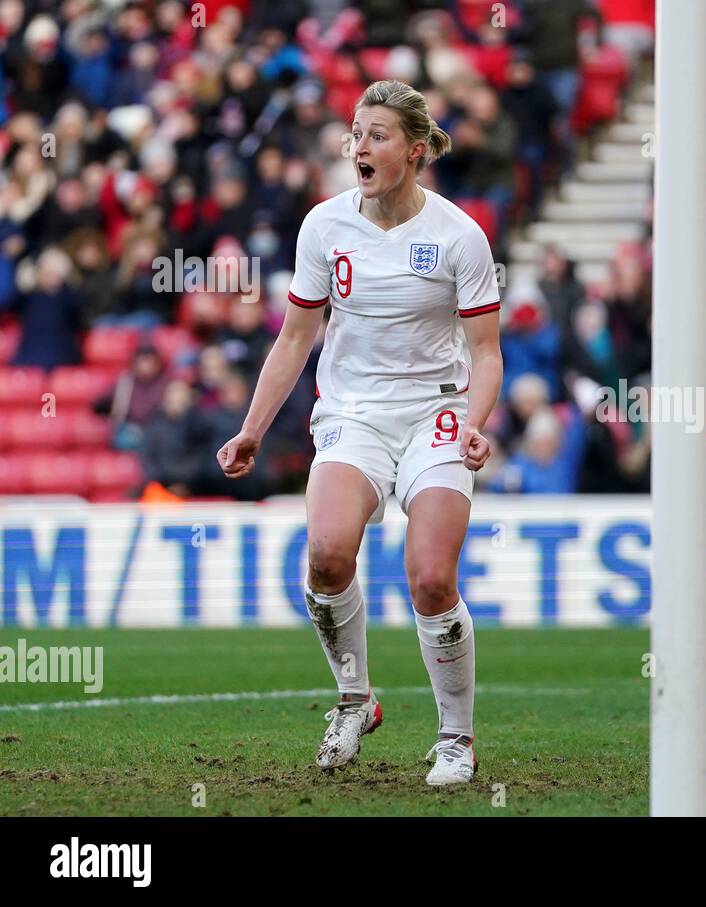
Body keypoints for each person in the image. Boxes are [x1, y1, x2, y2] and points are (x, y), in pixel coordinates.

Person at [216, 81, 502, 787]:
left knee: (432, 577)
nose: (359, 146)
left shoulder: (458, 235)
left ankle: (456, 738)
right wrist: (252, 427)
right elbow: (295, 337)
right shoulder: (323, 226)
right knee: (327, 556)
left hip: (436, 413)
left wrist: (474, 423)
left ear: (412, 151)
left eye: (375, 135)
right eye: (355, 132)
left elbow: (488, 352)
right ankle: (355, 699)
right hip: (351, 413)